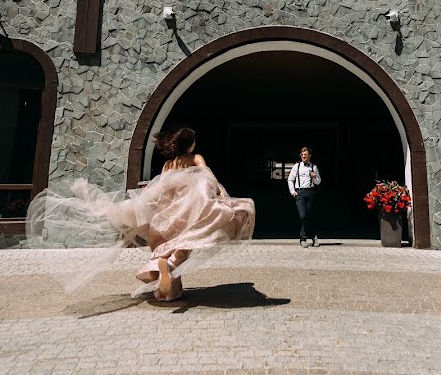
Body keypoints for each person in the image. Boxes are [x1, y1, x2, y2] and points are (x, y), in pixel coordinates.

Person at [26, 127, 255, 302]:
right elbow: (208, 177)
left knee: (163, 248)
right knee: (183, 247)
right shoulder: (195, 159)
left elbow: (161, 190)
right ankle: (170, 270)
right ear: (191, 145)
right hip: (188, 213)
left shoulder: (168, 165)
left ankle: (167, 290)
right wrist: (222, 194)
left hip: (165, 215)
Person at [288, 146, 321, 247]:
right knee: (303, 216)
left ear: (310, 156)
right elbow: (290, 179)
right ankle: (313, 236)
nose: (303, 156)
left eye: (305, 155)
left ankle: (303, 239)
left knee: (308, 216)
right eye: (302, 155)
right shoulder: (296, 166)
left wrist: (314, 177)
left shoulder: (314, 167)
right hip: (300, 193)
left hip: (310, 193)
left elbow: (318, 182)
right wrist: (293, 192)